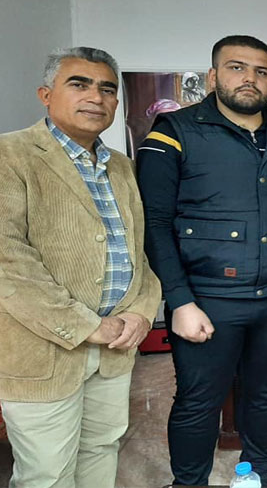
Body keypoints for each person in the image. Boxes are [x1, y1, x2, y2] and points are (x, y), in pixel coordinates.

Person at [136, 35, 267, 487]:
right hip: (207, 296)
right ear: (214, 75)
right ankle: (190, 482)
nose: (249, 78)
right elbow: (154, 224)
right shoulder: (173, 132)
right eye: (237, 67)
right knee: (199, 400)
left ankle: (262, 467)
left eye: (261, 71)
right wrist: (179, 300)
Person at [0, 47, 161, 488]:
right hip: (44, 349)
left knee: (101, 450)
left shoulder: (123, 167)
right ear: (46, 94)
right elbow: (8, 262)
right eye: (79, 84)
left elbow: (140, 253)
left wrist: (142, 312)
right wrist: (88, 326)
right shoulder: (10, 155)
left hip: (115, 348)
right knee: (47, 473)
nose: (96, 97)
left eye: (107, 89)